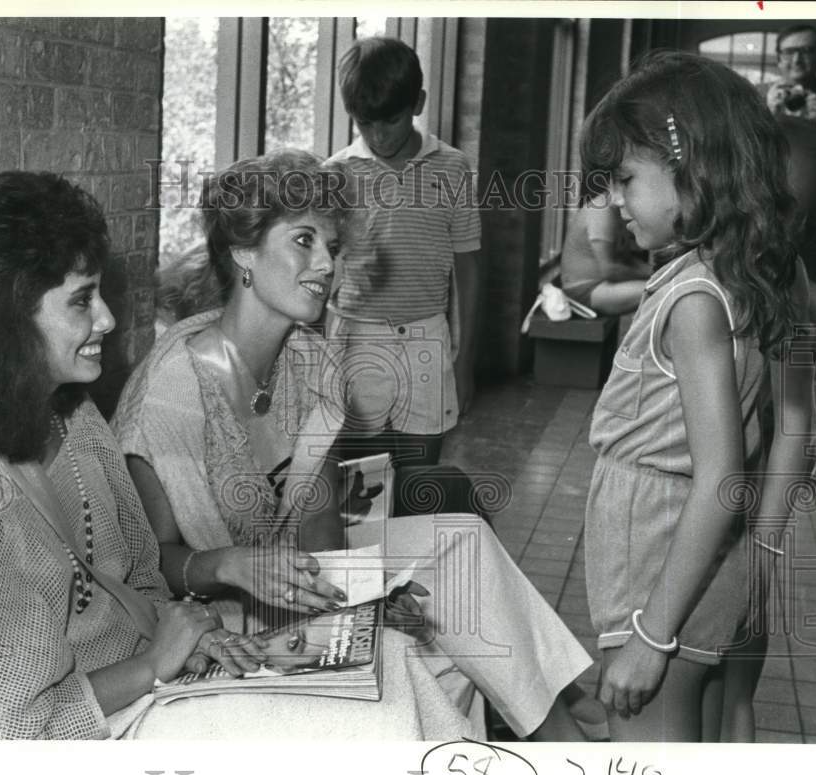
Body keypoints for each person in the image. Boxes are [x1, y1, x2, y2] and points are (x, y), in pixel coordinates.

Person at [0, 171, 466, 741]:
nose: (108, 320)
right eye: (82, 301)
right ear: (8, 319)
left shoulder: (72, 415)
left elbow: (141, 573)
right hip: (90, 736)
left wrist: (198, 636)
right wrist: (153, 664)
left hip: (155, 681)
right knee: (377, 723)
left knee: (393, 662)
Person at [112, 149, 598, 741]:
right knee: (425, 655)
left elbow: (321, 518)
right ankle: (527, 753)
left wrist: (356, 599)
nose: (327, 266)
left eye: (334, 248)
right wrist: (231, 565)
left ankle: (559, 741)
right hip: (212, 614)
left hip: (293, 582)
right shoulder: (173, 394)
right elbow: (145, 561)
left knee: (460, 546)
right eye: (304, 241)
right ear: (243, 252)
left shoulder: (308, 360)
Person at [578, 51, 814, 741]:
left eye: (625, 179)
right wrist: (760, 563)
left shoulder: (690, 299)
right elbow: (795, 426)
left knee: (651, 771)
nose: (616, 201)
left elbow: (718, 479)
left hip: (660, 564)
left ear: (693, 168)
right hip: (718, 566)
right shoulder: (768, 269)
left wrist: (651, 636)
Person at [324, 36, 481, 469]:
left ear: (418, 103)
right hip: (355, 337)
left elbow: (467, 267)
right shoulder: (334, 174)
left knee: (418, 478)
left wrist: (465, 360)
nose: (377, 135)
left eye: (389, 121)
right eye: (363, 122)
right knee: (361, 484)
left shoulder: (452, 168)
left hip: (426, 339)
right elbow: (316, 268)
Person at [558, 191, 652, 315]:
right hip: (583, 291)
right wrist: (654, 274)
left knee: (663, 283)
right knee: (660, 290)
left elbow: (626, 260)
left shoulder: (618, 210)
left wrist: (660, 271)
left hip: (602, 284)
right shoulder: (601, 212)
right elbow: (610, 271)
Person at [762, 24, 816, 140]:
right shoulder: (754, 96)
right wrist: (766, 118)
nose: (796, 60)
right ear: (779, 59)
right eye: (788, 52)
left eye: (806, 51)